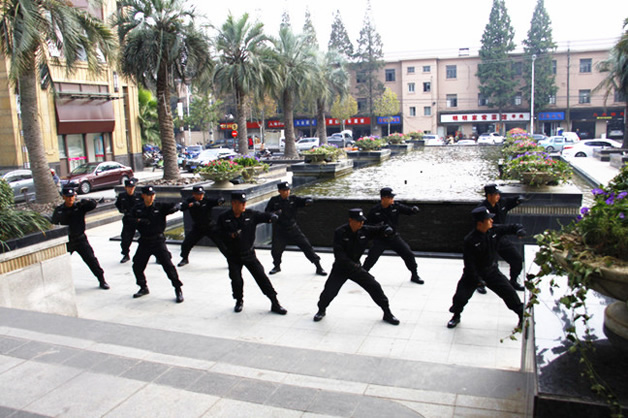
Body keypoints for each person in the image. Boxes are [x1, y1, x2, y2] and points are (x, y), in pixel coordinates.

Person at [313, 208, 400, 325]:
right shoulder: (340, 232)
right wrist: (353, 265)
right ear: (351, 220)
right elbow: (339, 255)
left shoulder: (364, 230)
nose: (361, 223)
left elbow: (379, 229)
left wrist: (387, 229)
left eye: (362, 221)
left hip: (356, 268)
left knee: (374, 286)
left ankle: (387, 313)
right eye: (358, 221)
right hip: (341, 268)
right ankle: (321, 310)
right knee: (329, 291)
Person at [446, 207, 525, 329]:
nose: (491, 221)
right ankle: (456, 315)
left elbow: (511, 227)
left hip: (491, 271)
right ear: (480, 223)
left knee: (509, 293)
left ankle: (521, 315)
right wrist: (477, 280)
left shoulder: (494, 231)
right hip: (474, 274)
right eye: (488, 219)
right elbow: (469, 264)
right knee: (460, 297)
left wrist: (519, 230)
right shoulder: (470, 240)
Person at [218, 192, 287, 315]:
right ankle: (239, 300)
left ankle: (274, 302)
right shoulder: (224, 217)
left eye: (245, 203)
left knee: (261, 277)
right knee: (236, 280)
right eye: (241, 203)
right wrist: (230, 235)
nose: (244, 205)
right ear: (234, 203)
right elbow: (218, 234)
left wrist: (272, 216)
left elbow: (265, 216)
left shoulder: (251, 214)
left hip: (249, 254)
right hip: (233, 255)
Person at [130, 185, 184, 303]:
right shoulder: (138, 208)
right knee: (137, 266)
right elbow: (129, 220)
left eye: (153, 195)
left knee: (168, 266)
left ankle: (178, 288)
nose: (151, 197)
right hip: (144, 241)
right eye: (148, 195)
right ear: (143, 196)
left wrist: (176, 208)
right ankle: (143, 287)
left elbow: (176, 205)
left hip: (158, 241)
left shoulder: (160, 206)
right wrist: (139, 221)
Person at [51, 187, 109, 289]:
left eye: (72, 196)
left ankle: (102, 280)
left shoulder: (80, 207)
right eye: (68, 197)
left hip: (80, 239)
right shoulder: (59, 210)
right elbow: (54, 224)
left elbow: (93, 205)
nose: (70, 199)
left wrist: (87, 201)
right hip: (67, 241)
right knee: (60, 262)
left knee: (91, 260)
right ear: (63, 197)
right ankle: (57, 283)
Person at [265, 181, 326, 276]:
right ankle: (276, 266)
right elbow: (267, 212)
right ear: (279, 191)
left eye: (288, 190)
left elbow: (304, 200)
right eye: (284, 190)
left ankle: (318, 266)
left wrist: (308, 201)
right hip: (280, 230)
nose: (287, 192)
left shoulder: (293, 199)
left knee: (306, 246)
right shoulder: (274, 200)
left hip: (293, 228)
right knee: (276, 250)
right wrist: (274, 214)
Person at [363, 187, 422, 284]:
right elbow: (367, 225)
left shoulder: (395, 206)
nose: (392, 199)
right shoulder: (375, 210)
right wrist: (381, 227)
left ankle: (414, 275)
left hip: (393, 237)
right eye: (390, 197)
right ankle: (363, 274)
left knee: (408, 254)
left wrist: (413, 210)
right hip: (380, 238)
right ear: (383, 198)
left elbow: (407, 210)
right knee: (372, 257)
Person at [476, 184, 525, 292]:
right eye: (495, 194)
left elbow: (516, 199)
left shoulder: (502, 203)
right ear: (489, 196)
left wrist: (520, 199)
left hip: (501, 238)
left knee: (517, 259)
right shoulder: (481, 209)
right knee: (485, 264)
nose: (498, 196)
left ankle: (513, 281)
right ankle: (479, 282)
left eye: (498, 194)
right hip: (488, 239)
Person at [177, 185, 226, 267]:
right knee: (186, 243)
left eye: (202, 194)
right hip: (197, 228)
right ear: (194, 194)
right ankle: (184, 258)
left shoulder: (206, 200)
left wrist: (221, 200)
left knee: (222, 244)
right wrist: (191, 205)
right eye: (198, 194)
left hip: (210, 226)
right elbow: (182, 207)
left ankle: (231, 260)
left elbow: (218, 201)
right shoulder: (190, 200)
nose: (200, 196)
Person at [115, 178, 141, 263]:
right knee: (125, 239)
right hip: (128, 219)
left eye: (132, 187)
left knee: (150, 238)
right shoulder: (122, 196)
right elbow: (118, 204)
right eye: (129, 187)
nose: (131, 189)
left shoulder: (139, 196)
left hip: (138, 219)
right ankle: (125, 254)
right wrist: (122, 210)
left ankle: (158, 256)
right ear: (126, 188)